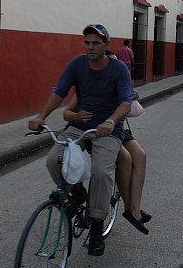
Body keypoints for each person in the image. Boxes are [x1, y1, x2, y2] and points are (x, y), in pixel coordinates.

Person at [28, 24, 133, 257]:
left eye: (96, 43)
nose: (90, 47)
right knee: (54, 159)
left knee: (101, 171)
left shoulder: (118, 70)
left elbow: (126, 102)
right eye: (87, 42)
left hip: (107, 130)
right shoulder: (77, 64)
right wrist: (41, 116)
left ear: (106, 44)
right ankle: (76, 193)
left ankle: (96, 227)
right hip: (78, 127)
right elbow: (59, 92)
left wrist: (111, 121)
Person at [64, 92, 151, 235]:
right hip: (94, 132)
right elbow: (68, 113)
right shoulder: (86, 83)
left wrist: (130, 97)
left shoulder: (117, 74)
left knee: (140, 155)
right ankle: (128, 208)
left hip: (115, 129)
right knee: (125, 158)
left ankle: (134, 208)